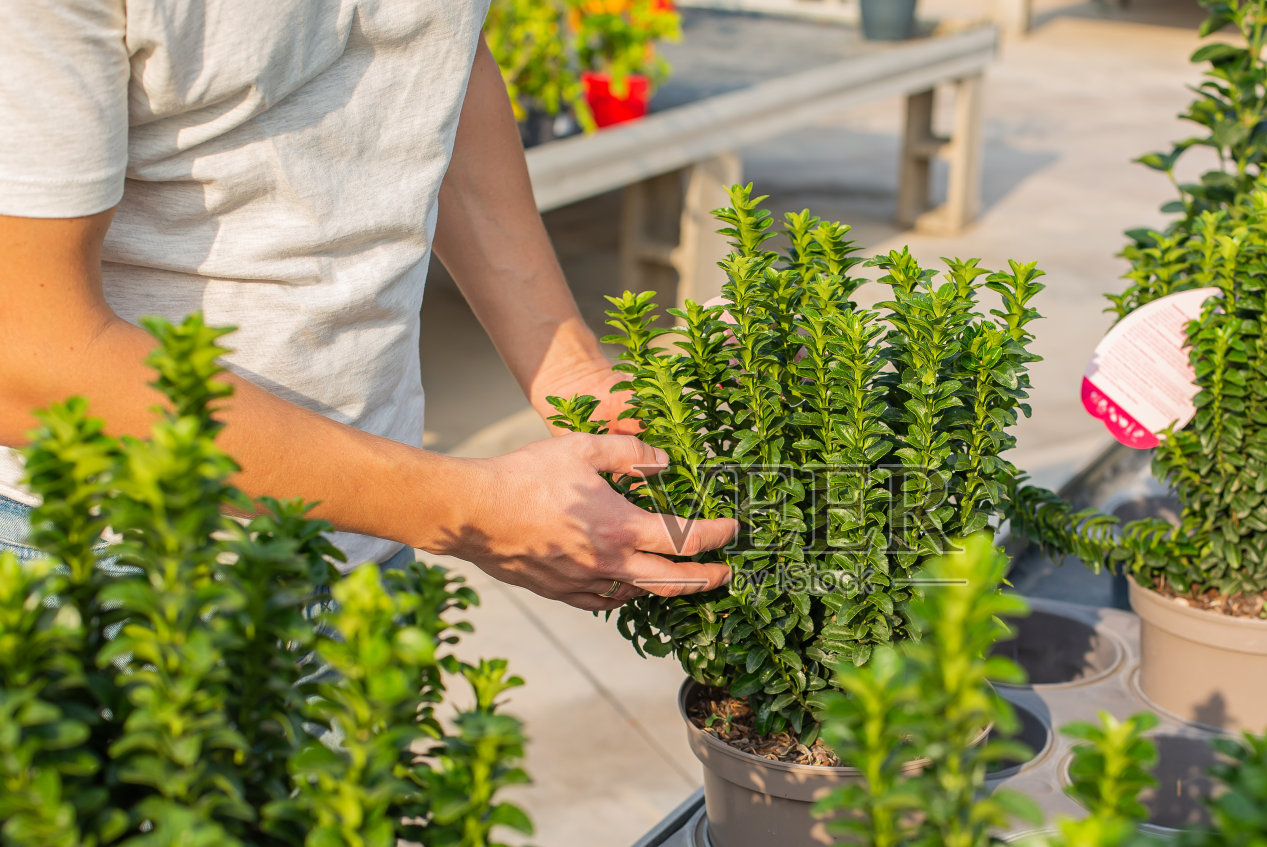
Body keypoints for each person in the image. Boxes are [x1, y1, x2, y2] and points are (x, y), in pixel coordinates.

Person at [0, 0, 736, 611]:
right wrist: (474, 510)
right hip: (113, 565)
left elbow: (434, 48)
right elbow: (25, 354)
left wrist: (566, 362)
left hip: (370, 537)